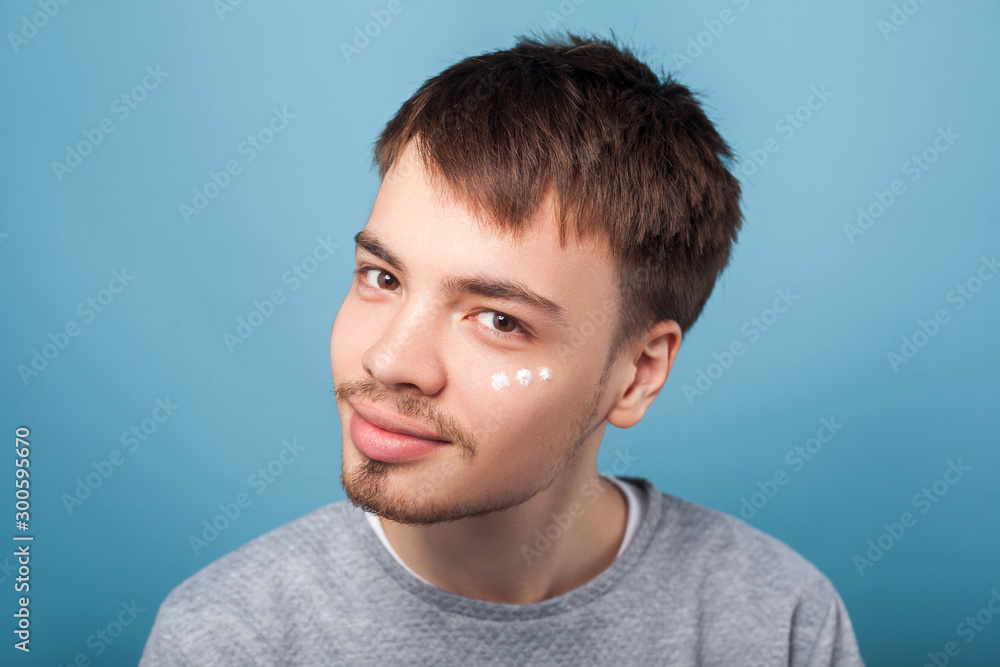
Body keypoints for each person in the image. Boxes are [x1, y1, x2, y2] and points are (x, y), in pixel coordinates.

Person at [140, 32, 864, 666]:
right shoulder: (230, 638)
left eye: (498, 320)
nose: (390, 361)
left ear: (637, 373)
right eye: (382, 277)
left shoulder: (779, 623)